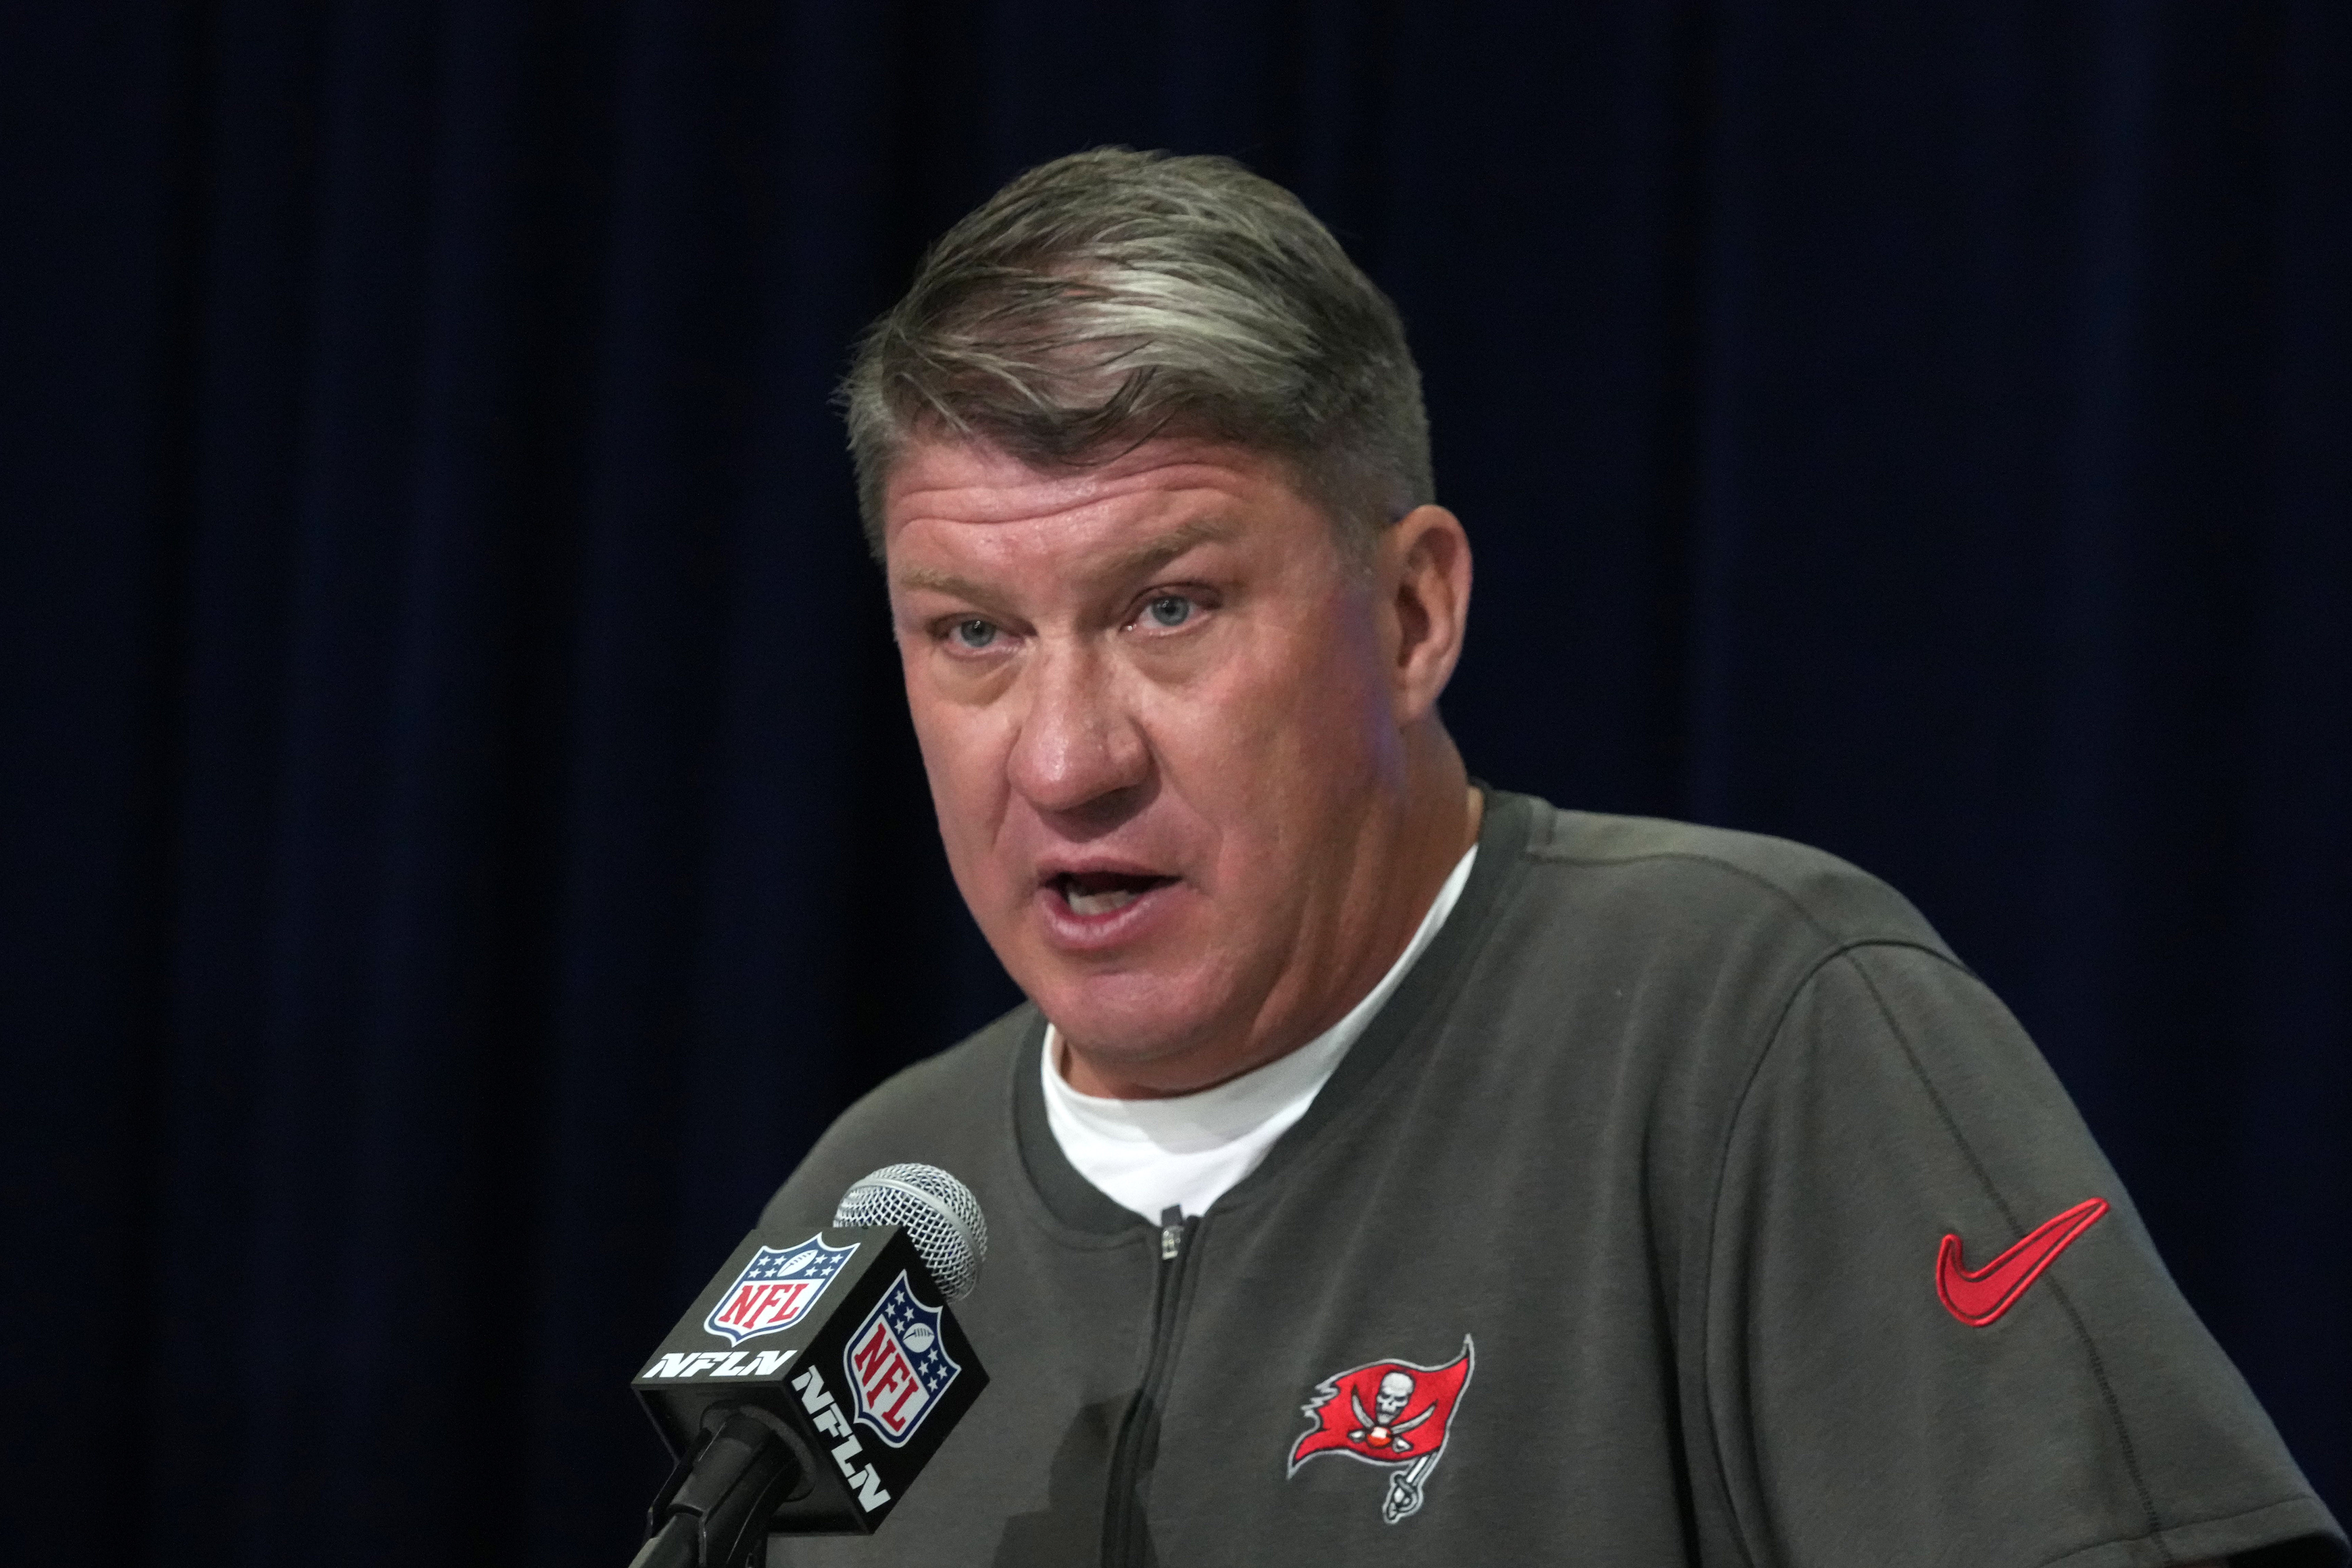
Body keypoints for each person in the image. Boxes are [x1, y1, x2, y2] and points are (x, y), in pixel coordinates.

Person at [756, 148, 2343, 1567]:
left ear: (1409, 615)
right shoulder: (875, 1206)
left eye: (1169, 608)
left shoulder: (1750, 1021)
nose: (1063, 758)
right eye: (971, 633)